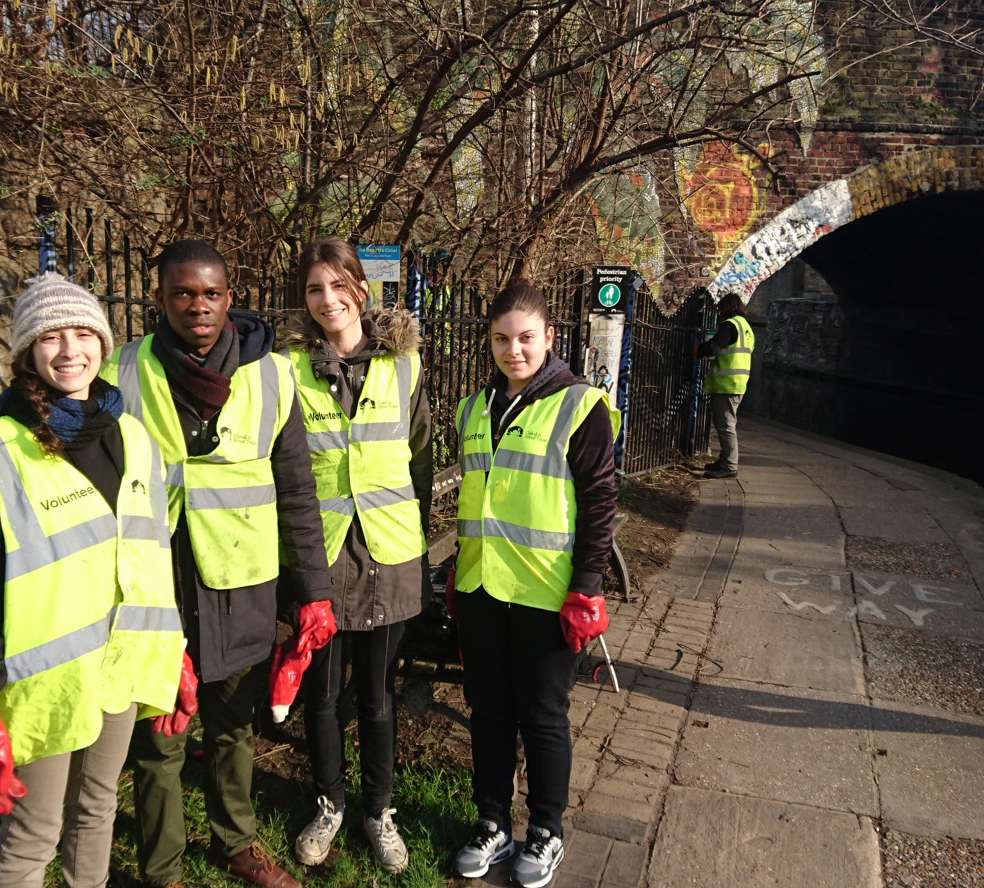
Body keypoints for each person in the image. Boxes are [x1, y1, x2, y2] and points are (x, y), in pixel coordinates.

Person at [0, 273, 185, 888]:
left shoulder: (133, 437)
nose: (71, 350)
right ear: (26, 354)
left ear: (103, 343)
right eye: (51, 337)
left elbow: (151, 555)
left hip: (121, 668)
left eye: (84, 334)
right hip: (43, 686)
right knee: (35, 834)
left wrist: (172, 650)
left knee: (97, 809)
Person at [101, 240, 334, 888]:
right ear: (159, 298)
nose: (197, 306)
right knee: (161, 735)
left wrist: (313, 589)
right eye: (182, 293)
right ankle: (162, 870)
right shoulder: (124, 372)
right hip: (158, 583)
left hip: (241, 582)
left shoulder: (273, 375)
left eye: (209, 294)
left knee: (233, 727)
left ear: (230, 299)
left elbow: (297, 489)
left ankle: (235, 842)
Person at [446, 280, 619, 888]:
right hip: (482, 587)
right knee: (489, 711)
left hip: (549, 593)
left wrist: (587, 586)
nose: (513, 350)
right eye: (501, 339)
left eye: (525, 338)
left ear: (549, 337)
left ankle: (546, 830)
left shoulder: (579, 405)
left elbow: (600, 502)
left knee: (543, 715)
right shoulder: (473, 409)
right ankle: (492, 822)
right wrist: (460, 569)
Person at [277, 237, 432, 874]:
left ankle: (378, 810)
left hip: (389, 553)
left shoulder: (404, 366)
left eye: (339, 286)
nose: (328, 300)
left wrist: (414, 538)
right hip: (322, 555)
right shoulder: (287, 369)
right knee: (321, 695)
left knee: (376, 695)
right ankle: (330, 805)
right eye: (315, 289)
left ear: (361, 290)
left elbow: (420, 459)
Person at [696, 293, 754, 479]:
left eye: (720, 309)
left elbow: (715, 347)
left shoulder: (730, 325)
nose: (719, 313)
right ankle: (724, 461)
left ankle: (729, 466)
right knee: (726, 423)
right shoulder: (746, 327)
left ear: (727, 308)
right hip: (739, 382)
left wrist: (698, 350)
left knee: (726, 426)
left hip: (727, 383)